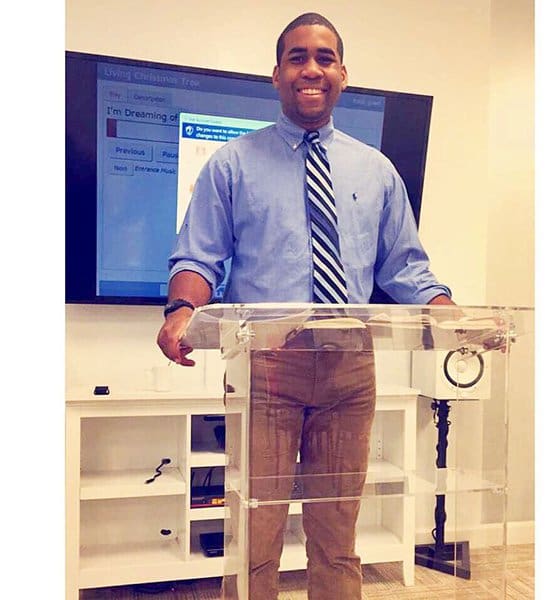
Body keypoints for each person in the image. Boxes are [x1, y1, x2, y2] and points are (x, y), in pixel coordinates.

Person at [157, 12, 454, 600]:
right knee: (255, 534)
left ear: (343, 73)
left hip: (350, 369)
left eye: (324, 57)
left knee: (337, 537)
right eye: (297, 57)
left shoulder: (377, 170)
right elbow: (198, 256)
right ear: (277, 74)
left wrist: (446, 312)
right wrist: (180, 310)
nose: (311, 69)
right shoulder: (231, 164)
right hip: (266, 367)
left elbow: (405, 267)